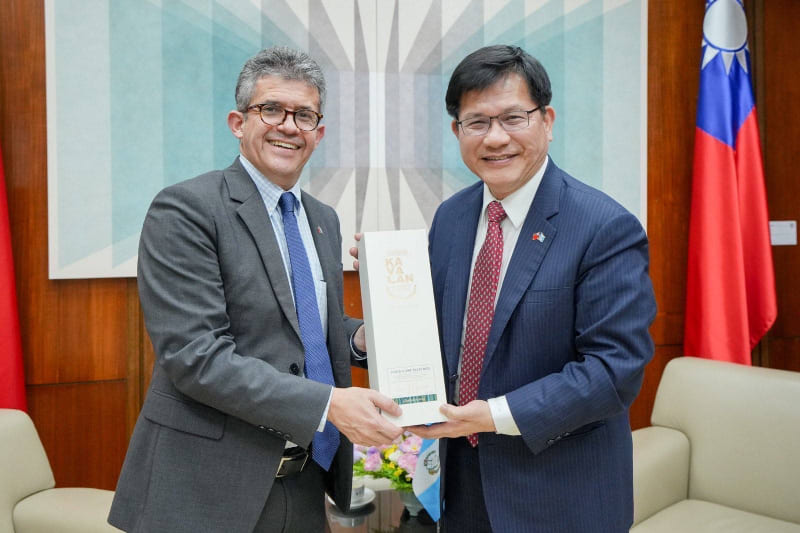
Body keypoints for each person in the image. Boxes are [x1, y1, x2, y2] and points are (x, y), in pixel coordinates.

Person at [108, 46, 403, 533]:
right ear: (238, 122)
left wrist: (361, 338)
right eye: (271, 109)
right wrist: (328, 404)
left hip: (304, 483)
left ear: (318, 133)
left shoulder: (323, 220)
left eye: (304, 115)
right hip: (206, 488)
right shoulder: (186, 209)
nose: (289, 126)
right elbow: (196, 356)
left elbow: (304, 326)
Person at [407, 45, 657, 532]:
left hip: (561, 495)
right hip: (462, 486)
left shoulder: (603, 227)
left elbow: (614, 370)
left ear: (547, 120)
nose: (495, 137)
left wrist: (491, 416)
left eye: (513, 118)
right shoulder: (451, 218)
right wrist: (390, 288)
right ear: (458, 132)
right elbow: (440, 335)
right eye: (477, 122)